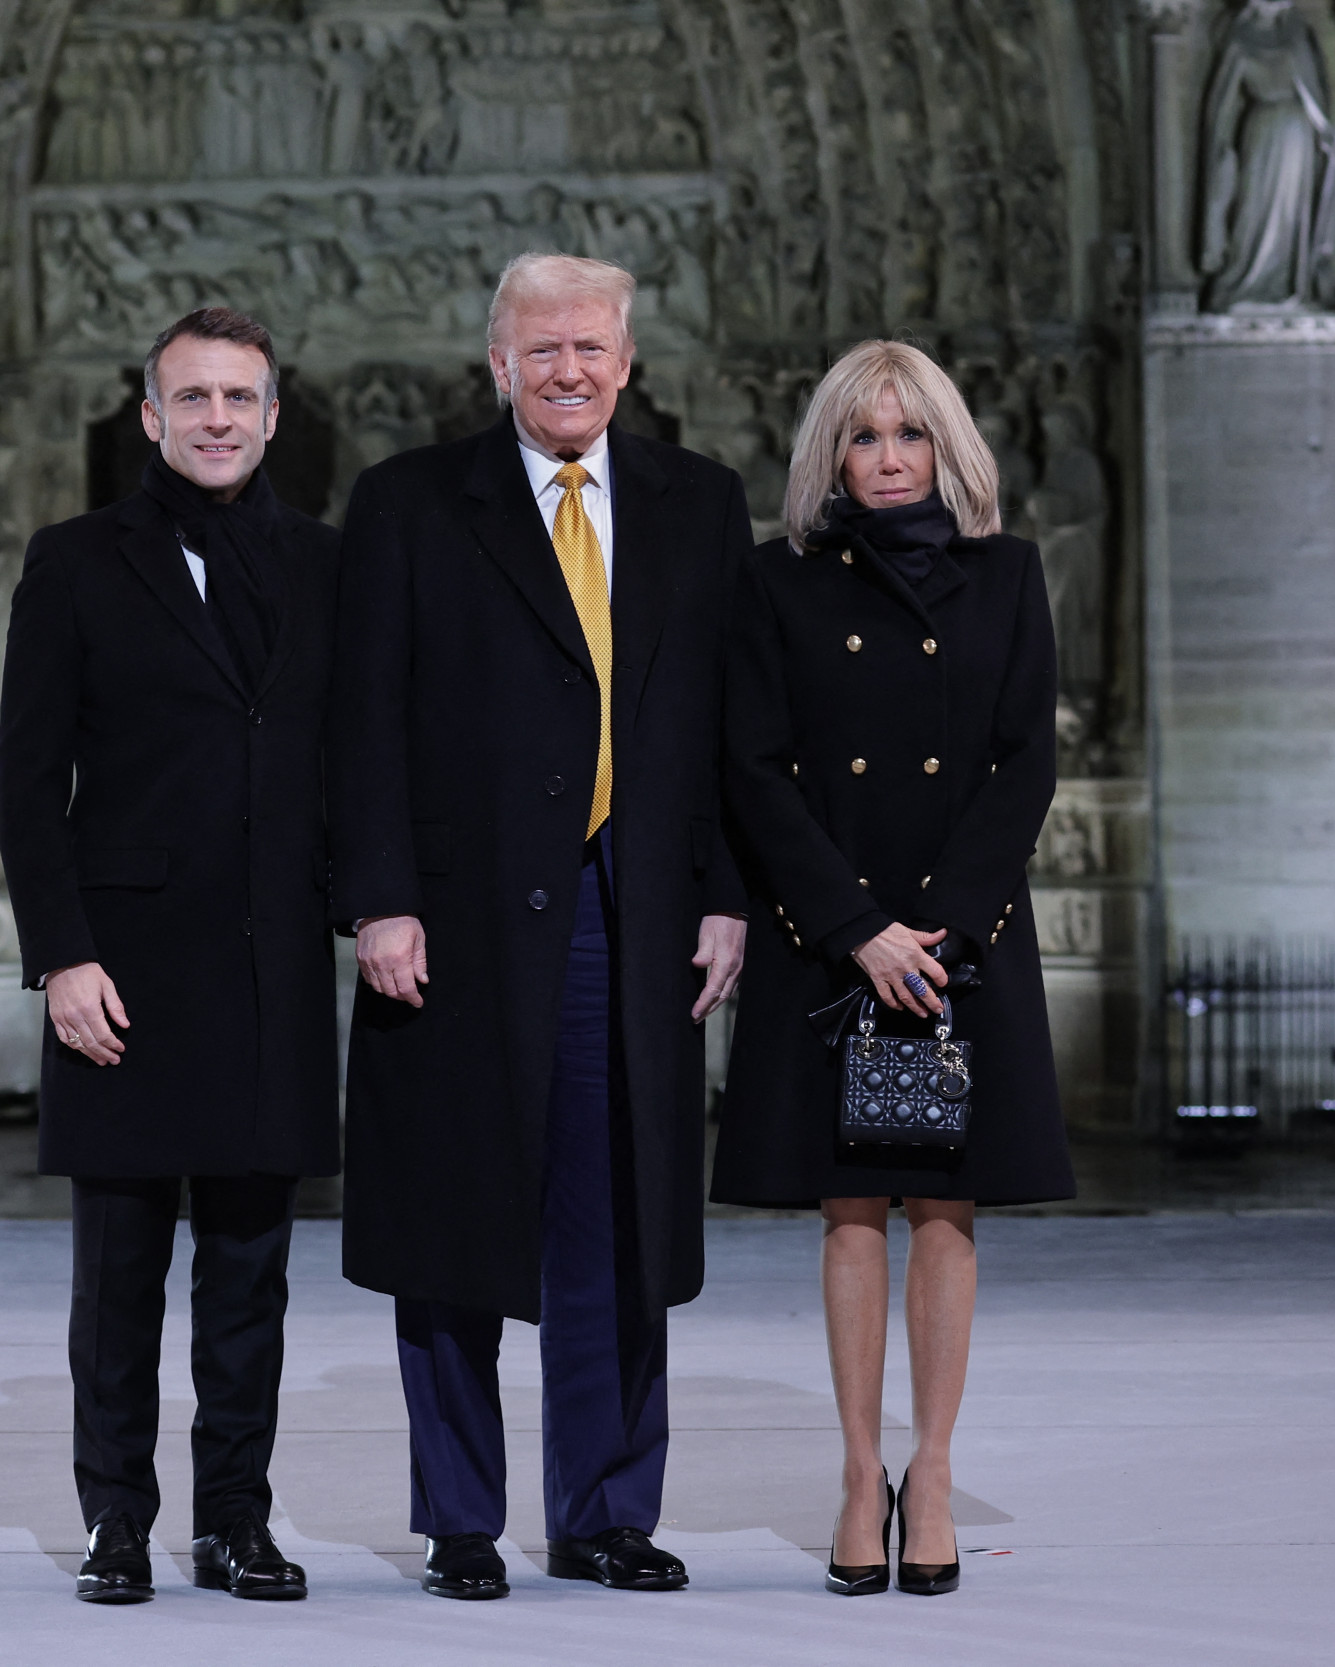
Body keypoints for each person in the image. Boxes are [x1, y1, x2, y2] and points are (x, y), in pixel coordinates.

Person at [329, 253, 752, 1600]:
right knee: (453, 1215)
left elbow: (738, 729)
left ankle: (607, 1509)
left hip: (634, 914)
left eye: (592, 346)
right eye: (541, 348)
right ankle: (460, 1515)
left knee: (619, 1226)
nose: (569, 369)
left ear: (629, 361)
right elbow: (364, 722)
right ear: (497, 365)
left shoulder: (703, 504)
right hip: (452, 924)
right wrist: (380, 897)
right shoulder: (406, 505)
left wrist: (729, 891)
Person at [712, 340, 1074, 1597]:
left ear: (946, 448)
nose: (885, 457)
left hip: (959, 940)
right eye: (862, 436)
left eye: (907, 434)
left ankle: (935, 1469)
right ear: (830, 453)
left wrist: (944, 927)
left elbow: (1023, 761)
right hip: (832, 933)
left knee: (947, 1210)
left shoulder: (1008, 577)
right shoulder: (776, 584)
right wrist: (857, 928)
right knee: (850, 1209)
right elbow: (751, 767)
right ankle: (860, 1470)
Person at [0, 307, 339, 1605]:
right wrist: (60, 957)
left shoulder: (325, 563)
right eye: (190, 397)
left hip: (269, 965)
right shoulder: (77, 560)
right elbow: (30, 782)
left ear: (269, 415)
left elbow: (349, 757)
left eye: (238, 398)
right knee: (121, 1270)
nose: (215, 419)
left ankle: (236, 1519)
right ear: (149, 415)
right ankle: (116, 1518)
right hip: (122, 971)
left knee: (252, 1273)